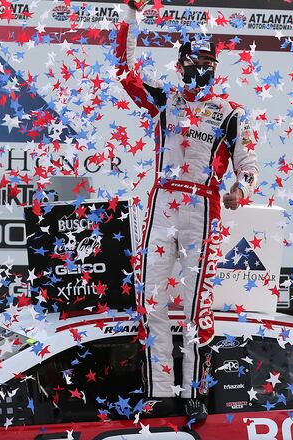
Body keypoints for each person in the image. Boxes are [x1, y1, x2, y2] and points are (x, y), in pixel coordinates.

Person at [115, 0, 259, 422]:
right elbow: (124, 72)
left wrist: (241, 190)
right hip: (162, 203)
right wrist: (131, 17)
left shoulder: (231, 114)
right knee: (152, 300)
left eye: (209, 62)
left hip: (203, 206)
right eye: (195, 61)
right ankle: (160, 389)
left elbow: (248, 168)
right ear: (180, 64)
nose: (203, 67)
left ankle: (194, 388)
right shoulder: (165, 99)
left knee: (198, 306)